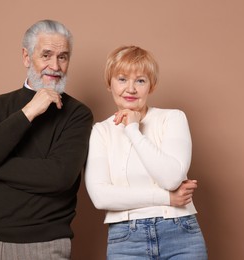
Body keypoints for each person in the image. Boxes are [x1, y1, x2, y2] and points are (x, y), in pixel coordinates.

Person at [0, 19, 93, 260]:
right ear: (26, 57)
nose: (54, 66)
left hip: (43, 244)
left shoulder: (78, 114)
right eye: (46, 55)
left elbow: (59, 176)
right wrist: (30, 111)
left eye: (63, 57)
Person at [84, 46, 207, 259]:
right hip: (126, 241)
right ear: (109, 83)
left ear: (152, 85)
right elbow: (101, 197)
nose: (130, 89)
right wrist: (168, 198)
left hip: (180, 235)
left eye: (140, 81)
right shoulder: (101, 131)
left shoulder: (173, 118)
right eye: (122, 79)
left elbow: (170, 178)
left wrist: (133, 129)